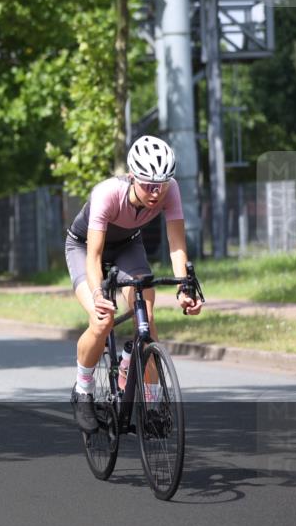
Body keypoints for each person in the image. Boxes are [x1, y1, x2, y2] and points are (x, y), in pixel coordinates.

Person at [66, 135, 203, 433]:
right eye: (148, 185)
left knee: (147, 320)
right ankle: (83, 389)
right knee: (102, 320)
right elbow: (94, 256)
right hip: (83, 247)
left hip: (129, 245)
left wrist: (185, 288)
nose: (156, 193)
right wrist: (99, 292)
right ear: (131, 177)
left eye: (162, 184)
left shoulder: (170, 190)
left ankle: (151, 405)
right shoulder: (106, 194)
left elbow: (177, 244)